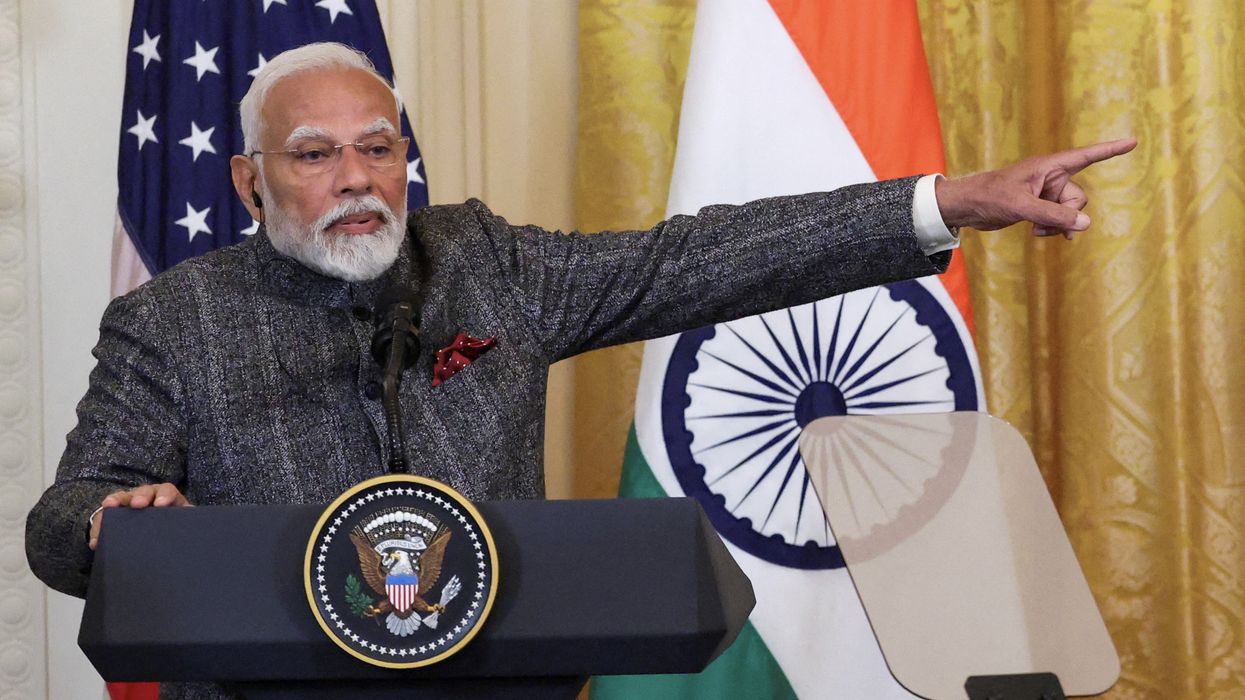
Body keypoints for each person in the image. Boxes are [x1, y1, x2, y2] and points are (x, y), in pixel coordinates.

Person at [27, 41, 1134, 606]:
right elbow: (61, 518)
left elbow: (699, 258)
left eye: (380, 146)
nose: (358, 177)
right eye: (315, 154)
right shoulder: (175, 319)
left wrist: (947, 200)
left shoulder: (481, 263)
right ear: (250, 179)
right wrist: (114, 515)